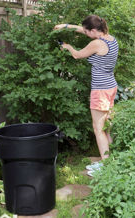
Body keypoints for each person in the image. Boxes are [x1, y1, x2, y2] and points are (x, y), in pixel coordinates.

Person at [54, 15, 118, 177]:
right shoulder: (111, 39)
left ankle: (106, 165)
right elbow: (84, 30)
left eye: (86, 31)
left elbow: (77, 55)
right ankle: (111, 158)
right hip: (111, 86)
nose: (84, 33)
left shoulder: (96, 43)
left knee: (98, 128)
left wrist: (67, 46)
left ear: (94, 31)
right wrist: (65, 25)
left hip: (100, 90)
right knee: (106, 126)